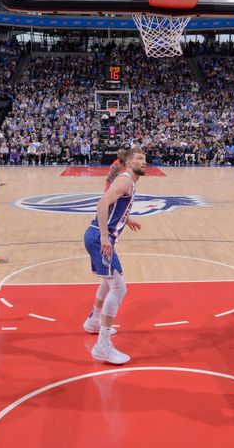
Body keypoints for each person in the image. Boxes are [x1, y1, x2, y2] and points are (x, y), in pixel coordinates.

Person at [83, 149, 145, 365]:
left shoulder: (127, 181)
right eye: (138, 158)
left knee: (110, 283)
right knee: (119, 287)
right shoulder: (125, 181)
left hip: (97, 236)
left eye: (145, 158)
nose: (143, 161)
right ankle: (102, 346)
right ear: (128, 163)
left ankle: (93, 322)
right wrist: (104, 237)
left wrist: (127, 219)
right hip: (98, 237)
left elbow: (112, 207)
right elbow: (101, 204)